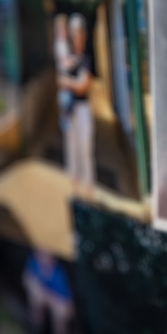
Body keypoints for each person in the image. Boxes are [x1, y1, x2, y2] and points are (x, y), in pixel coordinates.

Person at [58, 13, 94, 198]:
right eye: (74, 33)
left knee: (85, 148)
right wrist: (70, 82)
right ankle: (75, 191)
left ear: (84, 35)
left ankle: (88, 191)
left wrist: (68, 82)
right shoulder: (68, 57)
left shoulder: (87, 58)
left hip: (83, 110)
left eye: (80, 33)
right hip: (69, 111)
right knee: (71, 149)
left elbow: (83, 87)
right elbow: (59, 79)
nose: (77, 36)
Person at [22, 249, 74, 334]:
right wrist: (35, 289)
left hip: (57, 303)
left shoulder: (59, 274)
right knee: (35, 296)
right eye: (40, 252)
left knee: (61, 313)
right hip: (42, 300)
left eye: (46, 254)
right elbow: (25, 278)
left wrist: (45, 295)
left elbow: (67, 304)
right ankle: (36, 332)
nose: (42, 256)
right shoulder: (33, 262)